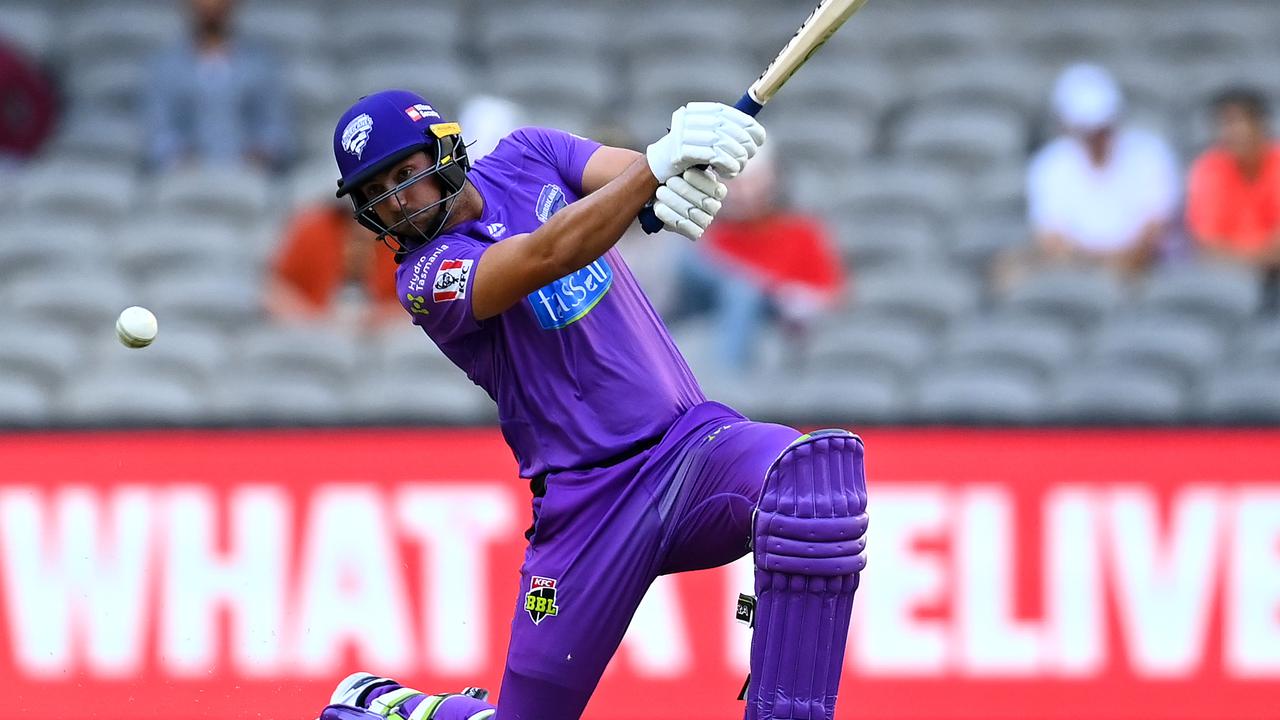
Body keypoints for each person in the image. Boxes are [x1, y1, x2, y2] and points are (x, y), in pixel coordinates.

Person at [313, 90, 868, 720]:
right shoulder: (423, 277)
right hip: (587, 507)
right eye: (376, 192)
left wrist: (677, 175)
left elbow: (625, 177)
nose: (398, 200)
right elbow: (546, 253)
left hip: (690, 450)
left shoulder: (530, 153)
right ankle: (395, 711)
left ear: (443, 146)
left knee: (810, 480)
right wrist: (656, 169)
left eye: (404, 174)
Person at [997, 63, 1180, 287]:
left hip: (1144, 264)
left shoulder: (1150, 153)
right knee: (1010, 271)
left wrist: (1120, 262)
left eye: (1102, 129)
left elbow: (1155, 229)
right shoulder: (1050, 164)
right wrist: (1092, 263)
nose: (1097, 139)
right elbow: (1052, 238)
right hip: (1076, 265)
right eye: (1088, 131)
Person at [673, 143, 846, 370]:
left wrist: (777, 293)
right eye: (735, 184)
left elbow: (830, 294)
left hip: (775, 324)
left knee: (742, 293)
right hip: (707, 322)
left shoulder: (802, 232)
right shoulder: (709, 237)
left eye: (752, 182)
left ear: (772, 180)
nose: (744, 193)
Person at [142, 0, 292, 172]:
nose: (211, 7)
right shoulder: (165, 65)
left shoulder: (261, 63)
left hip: (251, 175)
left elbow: (276, 127)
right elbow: (159, 130)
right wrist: (182, 159)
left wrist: (260, 155)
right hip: (183, 176)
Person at [265, 200, 401, 329]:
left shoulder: (399, 237)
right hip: (314, 335)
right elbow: (274, 289)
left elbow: (415, 302)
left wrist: (378, 318)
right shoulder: (313, 229)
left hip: (386, 339)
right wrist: (315, 320)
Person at [1187, 88, 1280, 273]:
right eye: (1226, 124)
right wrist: (1258, 258)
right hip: (1230, 275)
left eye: (1240, 122)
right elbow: (1208, 246)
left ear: (1261, 124)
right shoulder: (1208, 169)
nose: (1233, 132)